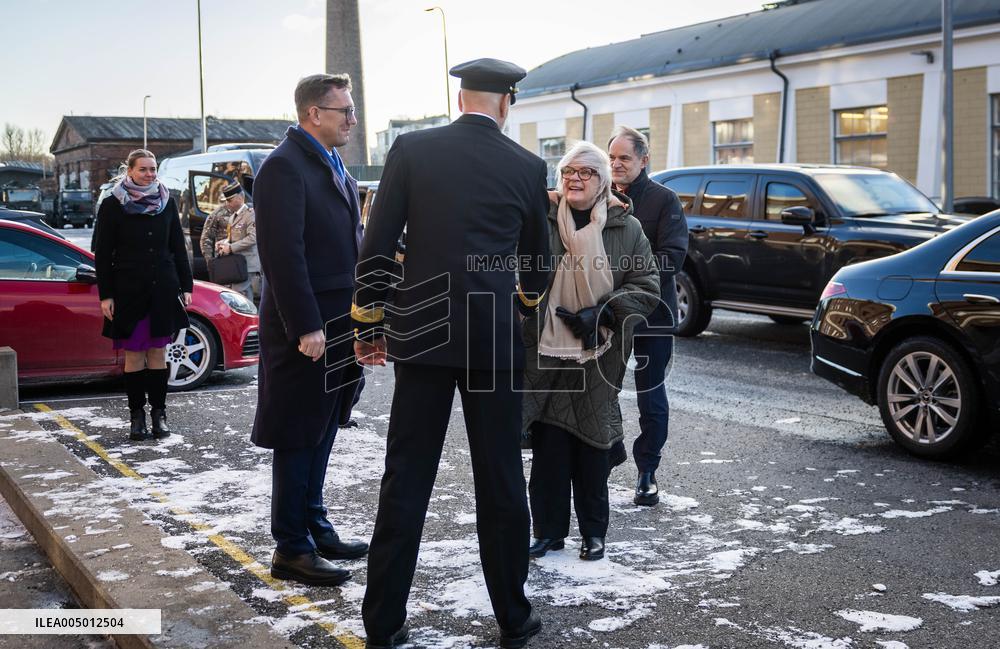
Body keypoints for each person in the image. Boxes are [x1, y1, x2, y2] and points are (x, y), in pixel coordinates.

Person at [352, 58, 550, 649]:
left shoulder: (412, 150)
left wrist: (369, 322)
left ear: (461, 96)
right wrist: (517, 301)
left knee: (406, 480)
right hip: (492, 342)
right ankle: (513, 617)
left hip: (423, 336)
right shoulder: (526, 164)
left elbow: (377, 245)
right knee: (502, 482)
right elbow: (538, 266)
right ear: (505, 102)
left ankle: (383, 623)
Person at [250, 73, 368, 589]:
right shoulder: (283, 166)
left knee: (323, 430)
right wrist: (305, 326)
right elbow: (282, 254)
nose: (352, 119)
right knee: (298, 435)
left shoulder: (331, 162)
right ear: (313, 113)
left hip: (338, 320)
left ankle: (315, 527)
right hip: (308, 328)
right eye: (344, 110)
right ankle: (290, 547)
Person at [522, 141, 659, 562]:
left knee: (592, 444)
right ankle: (547, 531)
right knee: (548, 446)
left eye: (585, 173)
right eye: (568, 172)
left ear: (602, 182)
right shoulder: (540, 221)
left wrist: (604, 312)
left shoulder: (625, 227)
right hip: (542, 351)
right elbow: (516, 270)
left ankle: (594, 532)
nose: (575, 180)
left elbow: (647, 285)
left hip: (599, 352)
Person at [608, 125, 688, 506]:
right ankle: (605, 456)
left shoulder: (664, 200)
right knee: (600, 392)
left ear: (643, 159)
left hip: (653, 315)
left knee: (650, 395)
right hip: (608, 316)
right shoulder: (599, 199)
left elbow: (672, 258)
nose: (616, 164)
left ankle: (647, 471)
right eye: (611, 158)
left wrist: (621, 273)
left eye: (624, 157)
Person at [94, 149, 193, 441]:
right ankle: (136, 417)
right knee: (135, 356)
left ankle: (159, 415)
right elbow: (103, 254)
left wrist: (186, 286)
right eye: (143, 169)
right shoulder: (113, 205)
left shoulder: (166, 202)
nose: (149, 174)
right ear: (130, 171)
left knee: (158, 354)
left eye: (153, 169)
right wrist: (106, 295)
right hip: (128, 291)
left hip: (162, 288)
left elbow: (178, 247)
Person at [203, 182, 261, 302]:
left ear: (240, 197)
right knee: (237, 297)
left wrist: (230, 248)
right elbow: (232, 237)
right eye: (226, 200)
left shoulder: (251, 215)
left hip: (248, 264)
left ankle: (249, 320)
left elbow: (253, 237)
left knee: (243, 298)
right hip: (237, 264)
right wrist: (223, 243)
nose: (227, 204)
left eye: (230, 200)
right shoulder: (232, 217)